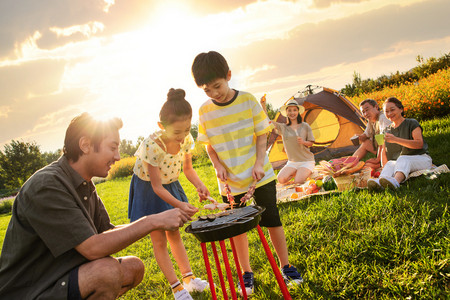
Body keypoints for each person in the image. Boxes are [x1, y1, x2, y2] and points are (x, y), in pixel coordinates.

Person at [0, 112, 190, 300]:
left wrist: (158, 222)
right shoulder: (47, 185)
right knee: (106, 272)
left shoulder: (84, 184)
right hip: (32, 290)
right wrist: (152, 220)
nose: (117, 156)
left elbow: (106, 232)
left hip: (61, 277)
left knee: (133, 268)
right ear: (85, 145)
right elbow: (93, 248)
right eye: (113, 147)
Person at [191, 51, 303, 296]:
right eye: (207, 90)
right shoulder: (204, 111)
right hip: (229, 181)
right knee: (236, 228)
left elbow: (262, 133)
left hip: (258, 173)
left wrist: (259, 162)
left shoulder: (248, 100)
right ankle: (246, 272)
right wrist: (217, 165)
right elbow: (209, 145)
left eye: (217, 86)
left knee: (272, 219)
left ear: (229, 76)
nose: (214, 93)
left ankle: (285, 266)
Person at [128, 88, 210, 300]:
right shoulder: (151, 146)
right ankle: (177, 289)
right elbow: (156, 187)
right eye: (177, 132)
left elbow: (188, 169)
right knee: (159, 240)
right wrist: (181, 205)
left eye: (186, 130)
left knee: (174, 232)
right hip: (149, 190)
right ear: (161, 127)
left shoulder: (186, 139)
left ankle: (189, 279)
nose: (182, 136)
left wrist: (199, 186)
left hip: (171, 184)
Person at [367, 97, 432, 190]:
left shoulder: (412, 123)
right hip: (401, 163)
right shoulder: (386, 130)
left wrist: (396, 139)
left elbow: (419, 144)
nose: (389, 113)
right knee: (390, 164)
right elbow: (384, 152)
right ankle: (381, 182)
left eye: (392, 110)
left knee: (403, 158)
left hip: (421, 158)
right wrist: (384, 167)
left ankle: (395, 182)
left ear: (401, 109)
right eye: (386, 111)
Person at [261, 96, 315, 185]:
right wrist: (263, 106)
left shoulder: (305, 126)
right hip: (292, 162)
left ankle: (305, 172)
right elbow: (268, 122)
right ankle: (299, 172)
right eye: (289, 110)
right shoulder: (283, 128)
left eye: (294, 110)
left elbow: (311, 143)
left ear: (298, 112)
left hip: (306, 161)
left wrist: (303, 142)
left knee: (298, 182)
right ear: (286, 112)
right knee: (281, 179)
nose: (292, 113)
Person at [353, 98, 391, 169]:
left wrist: (378, 159)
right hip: (381, 149)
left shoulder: (383, 118)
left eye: (367, 110)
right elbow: (366, 136)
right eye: (363, 112)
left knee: (367, 166)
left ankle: (380, 163)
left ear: (376, 107)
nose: (365, 114)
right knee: (365, 143)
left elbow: (384, 140)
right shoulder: (371, 121)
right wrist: (359, 137)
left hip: (390, 149)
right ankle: (350, 163)